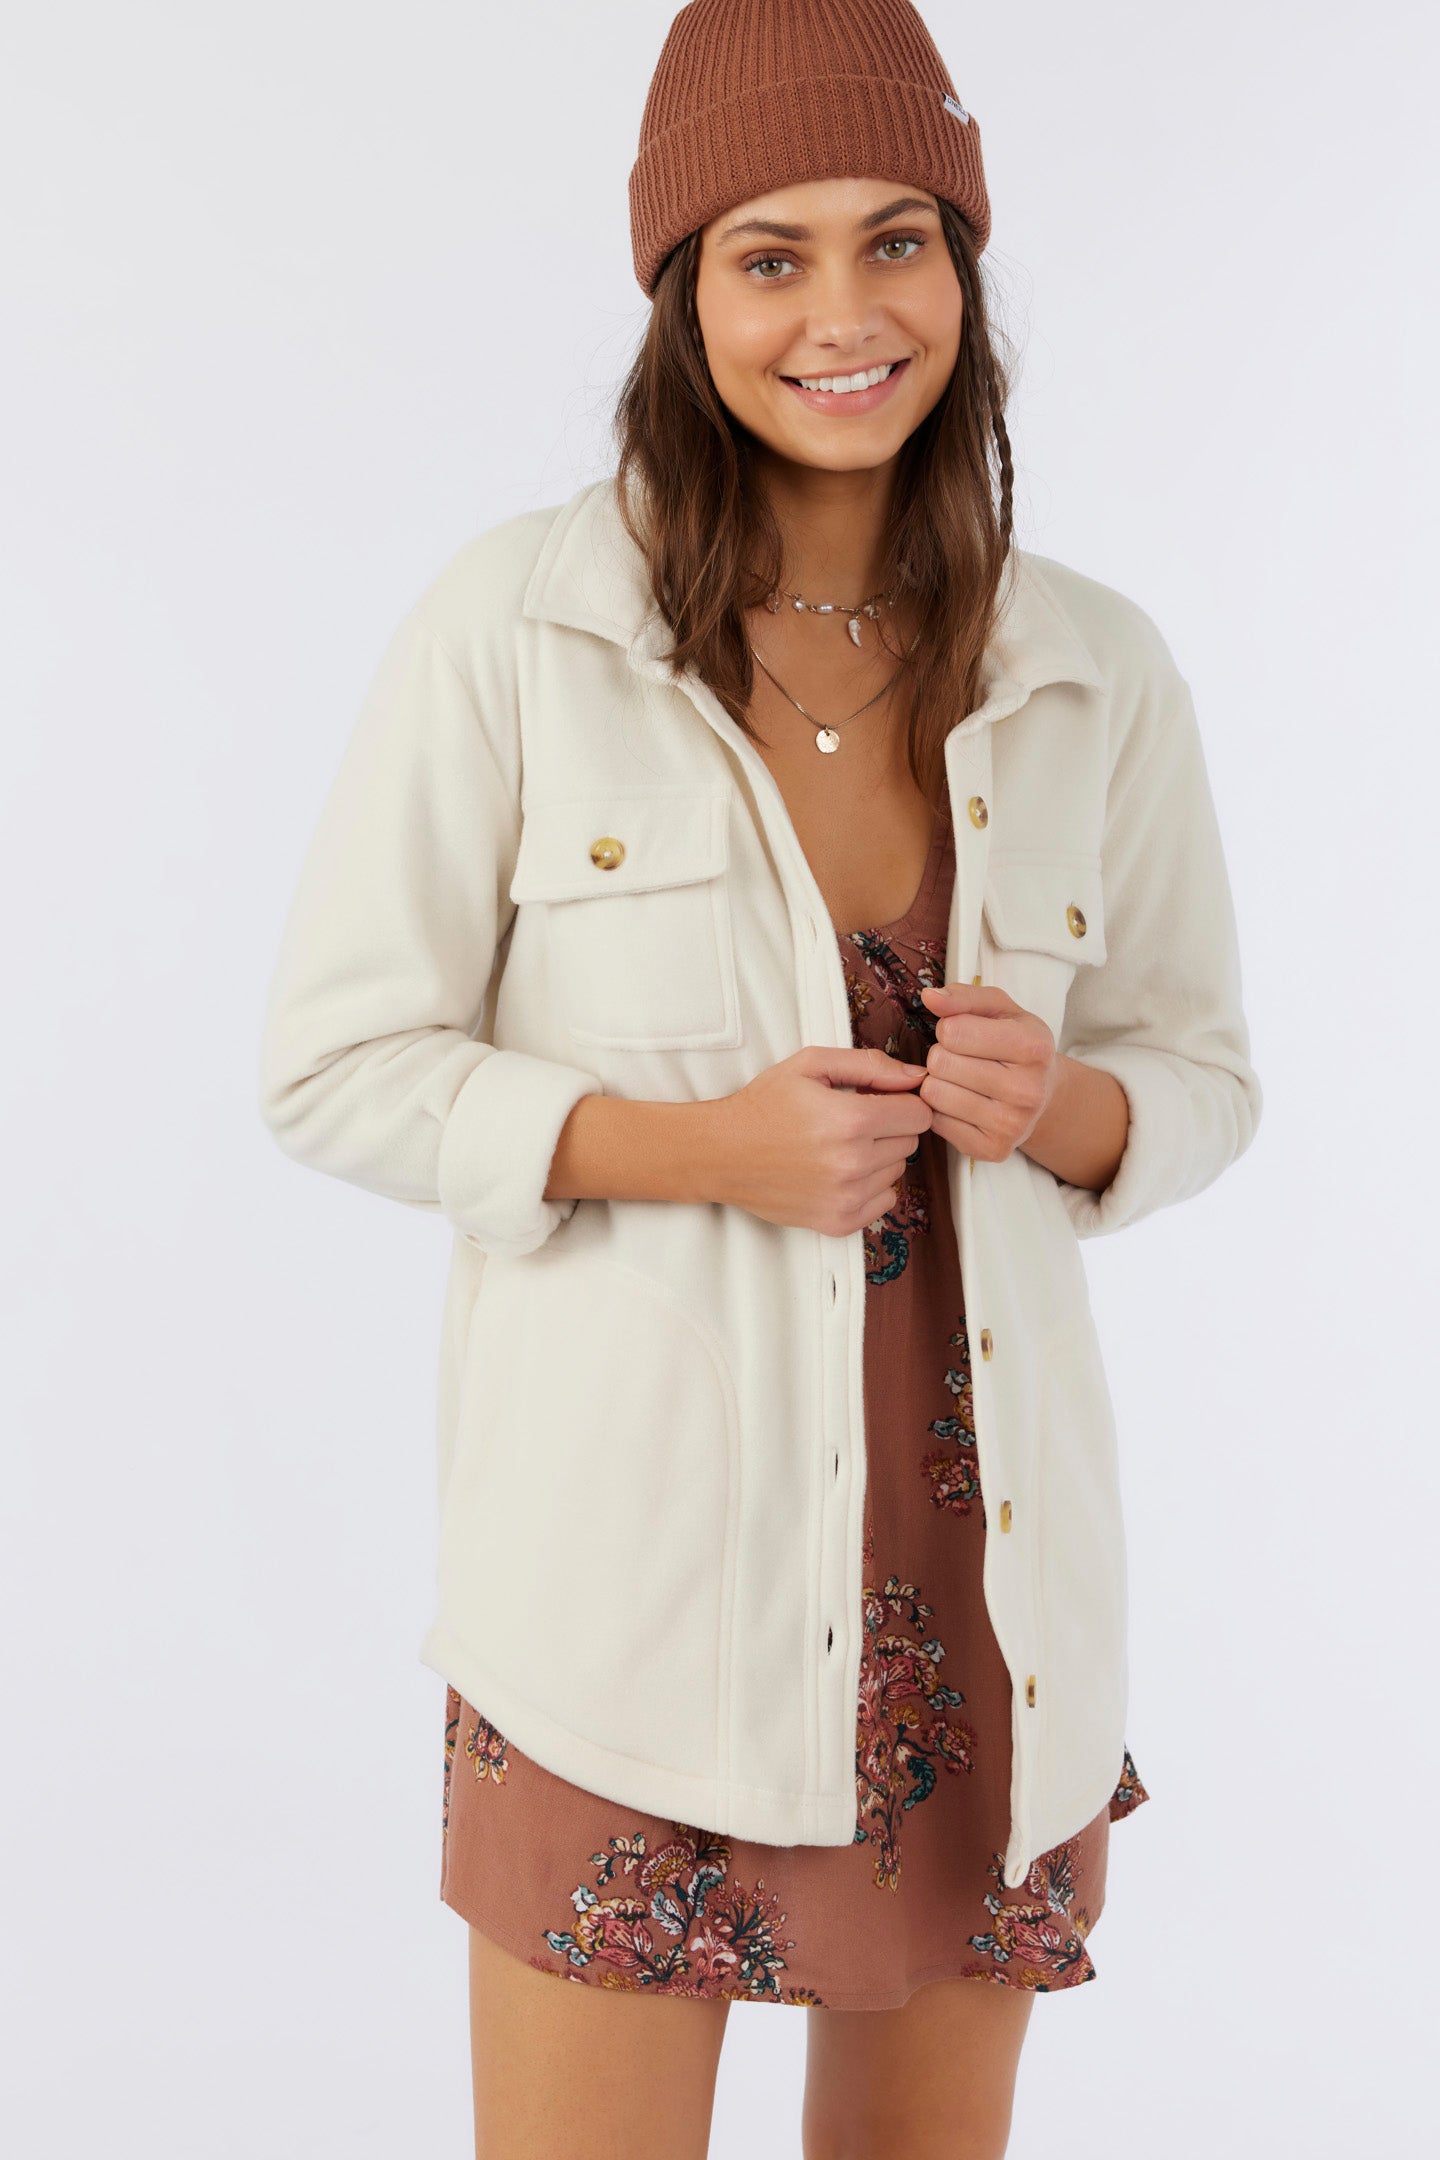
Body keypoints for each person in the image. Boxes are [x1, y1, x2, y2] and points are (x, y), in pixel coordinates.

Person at [257, 3, 1262, 2154]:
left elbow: (1197, 1072)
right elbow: (334, 1063)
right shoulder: (523, 632)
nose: (844, 314)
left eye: (897, 241)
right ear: (682, 293)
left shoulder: (1093, 668)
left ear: (961, 269)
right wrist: (690, 1147)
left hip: (983, 1615)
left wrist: (1058, 1110)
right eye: (769, 256)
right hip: (626, 1619)